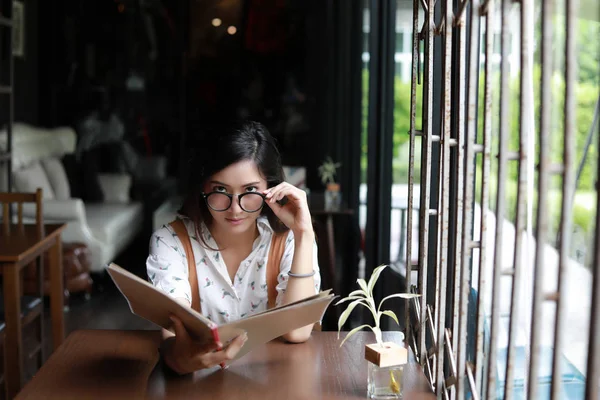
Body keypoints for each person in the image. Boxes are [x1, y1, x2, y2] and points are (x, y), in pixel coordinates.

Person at [146, 120, 321, 375]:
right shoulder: (171, 241)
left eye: (250, 190)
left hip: (276, 381)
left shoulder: (288, 240)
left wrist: (304, 233)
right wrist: (182, 359)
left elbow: (297, 332)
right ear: (202, 187)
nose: (235, 208)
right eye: (220, 189)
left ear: (271, 189)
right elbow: (173, 335)